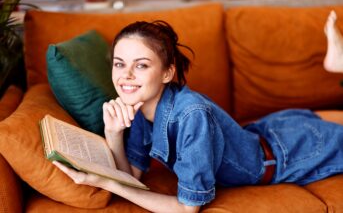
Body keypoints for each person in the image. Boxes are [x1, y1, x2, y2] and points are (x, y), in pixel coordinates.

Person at [53, 20, 343, 213]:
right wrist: (113, 133)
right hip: (270, 129)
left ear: (168, 73)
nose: (126, 75)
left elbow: (187, 208)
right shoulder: (140, 104)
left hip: (290, 152)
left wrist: (106, 183)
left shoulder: (192, 114)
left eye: (141, 65)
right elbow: (133, 176)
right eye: (119, 63)